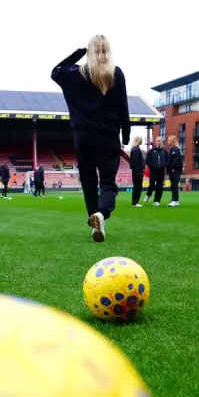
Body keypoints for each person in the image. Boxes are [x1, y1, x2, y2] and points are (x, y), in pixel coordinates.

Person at [51, 34, 130, 242]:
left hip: (82, 137)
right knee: (108, 183)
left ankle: (93, 218)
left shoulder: (75, 74)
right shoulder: (116, 74)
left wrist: (78, 54)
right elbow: (123, 107)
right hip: (108, 137)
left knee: (88, 180)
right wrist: (127, 135)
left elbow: (55, 72)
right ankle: (101, 214)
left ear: (89, 51)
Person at [145, 137, 170, 206]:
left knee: (159, 186)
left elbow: (168, 161)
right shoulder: (151, 151)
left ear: (162, 142)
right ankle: (149, 194)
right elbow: (147, 160)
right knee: (152, 184)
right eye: (156, 141)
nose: (158, 142)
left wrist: (164, 165)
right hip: (153, 170)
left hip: (161, 171)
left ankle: (156, 201)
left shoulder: (165, 151)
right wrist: (151, 166)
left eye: (159, 141)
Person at [128, 136, 145, 207]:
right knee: (138, 186)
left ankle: (134, 201)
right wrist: (138, 171)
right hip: (137, 171)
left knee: (137, 186)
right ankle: (135, 202)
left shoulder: (135, 149)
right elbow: (135, 162)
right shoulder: (136, 149)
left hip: (137, 171)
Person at [167, 135, 183, 207]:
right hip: (176, 170)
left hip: (175, 170)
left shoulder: (174, 148)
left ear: (172, 141)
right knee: (174, 185)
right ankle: (175, 200)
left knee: (174, 185)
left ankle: (175, 200)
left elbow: (175, 160)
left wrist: (172, 168)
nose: (167, 141)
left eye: (169, 140)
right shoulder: (176, 148)